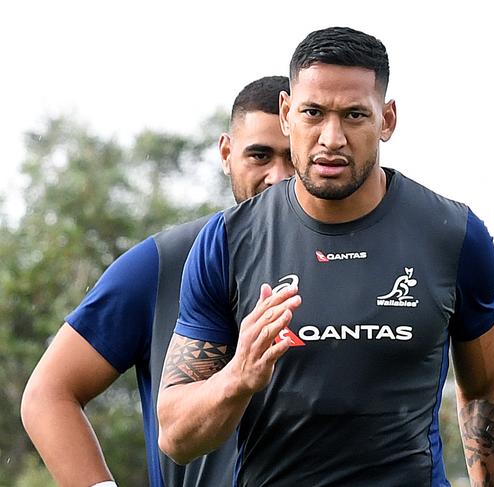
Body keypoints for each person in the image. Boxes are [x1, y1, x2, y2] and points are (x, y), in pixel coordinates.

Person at [158, 27, 494, 487]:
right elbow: (175, 436)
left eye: (354, 115)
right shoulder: (227, 241)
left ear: (386, 120)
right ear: (287, 113)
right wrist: (239, 376)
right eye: (313, 113)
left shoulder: (455, 235)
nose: (332, 138)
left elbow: (487, 391)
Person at [20, 75, 293, 487]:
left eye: (293, 157)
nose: (279, 176)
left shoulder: (368, 258)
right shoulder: (163, 262)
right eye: (260, 156)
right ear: (226, 153)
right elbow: (48, 394)